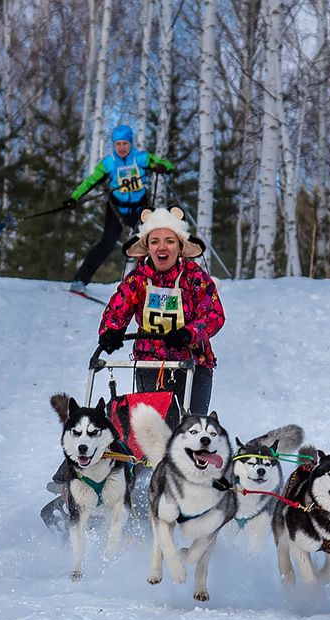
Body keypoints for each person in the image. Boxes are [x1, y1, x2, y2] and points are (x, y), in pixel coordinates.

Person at [96, 207, 225, 416]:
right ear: (147, 247)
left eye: (169, 241)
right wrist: (111, 331)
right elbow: (117, 308)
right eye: (155, 241)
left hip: (193, 362)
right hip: (150, 363)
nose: (161, 247)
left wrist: (189, 333)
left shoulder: (194, 277)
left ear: (180, 246)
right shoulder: (137, 279)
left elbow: (214, 314)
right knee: (153, 435)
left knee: (190, 432)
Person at [64, 124, 175, 293]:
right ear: (113, 145)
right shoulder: (108, 163)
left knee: (152, 243)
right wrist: (74, 197)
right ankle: (80, 280)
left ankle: (157, 284)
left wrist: (162, 167)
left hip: (140, 209)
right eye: (118, 144)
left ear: (131, 144)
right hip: (117, 208)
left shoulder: (142, 158)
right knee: (106, 244)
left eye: (125, 143)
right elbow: (89, 182)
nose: (121, 148)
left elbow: (168, 165)